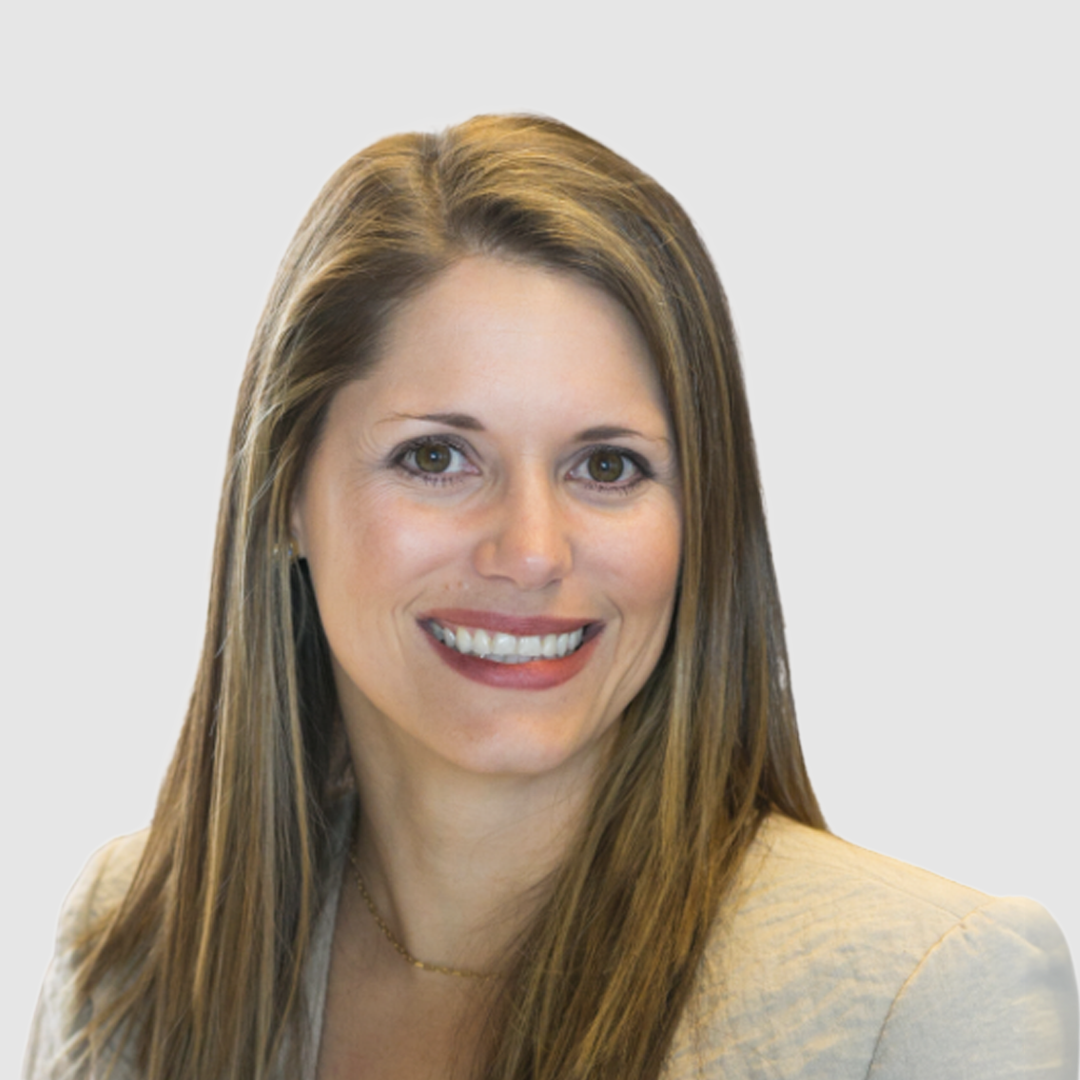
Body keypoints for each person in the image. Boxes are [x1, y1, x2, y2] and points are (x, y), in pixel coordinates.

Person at [23, 114, 1078, 1080]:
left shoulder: (926, 999)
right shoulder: (136, 950)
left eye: (607, 468)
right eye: (437, 456)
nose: (530, 553)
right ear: (285, 496)